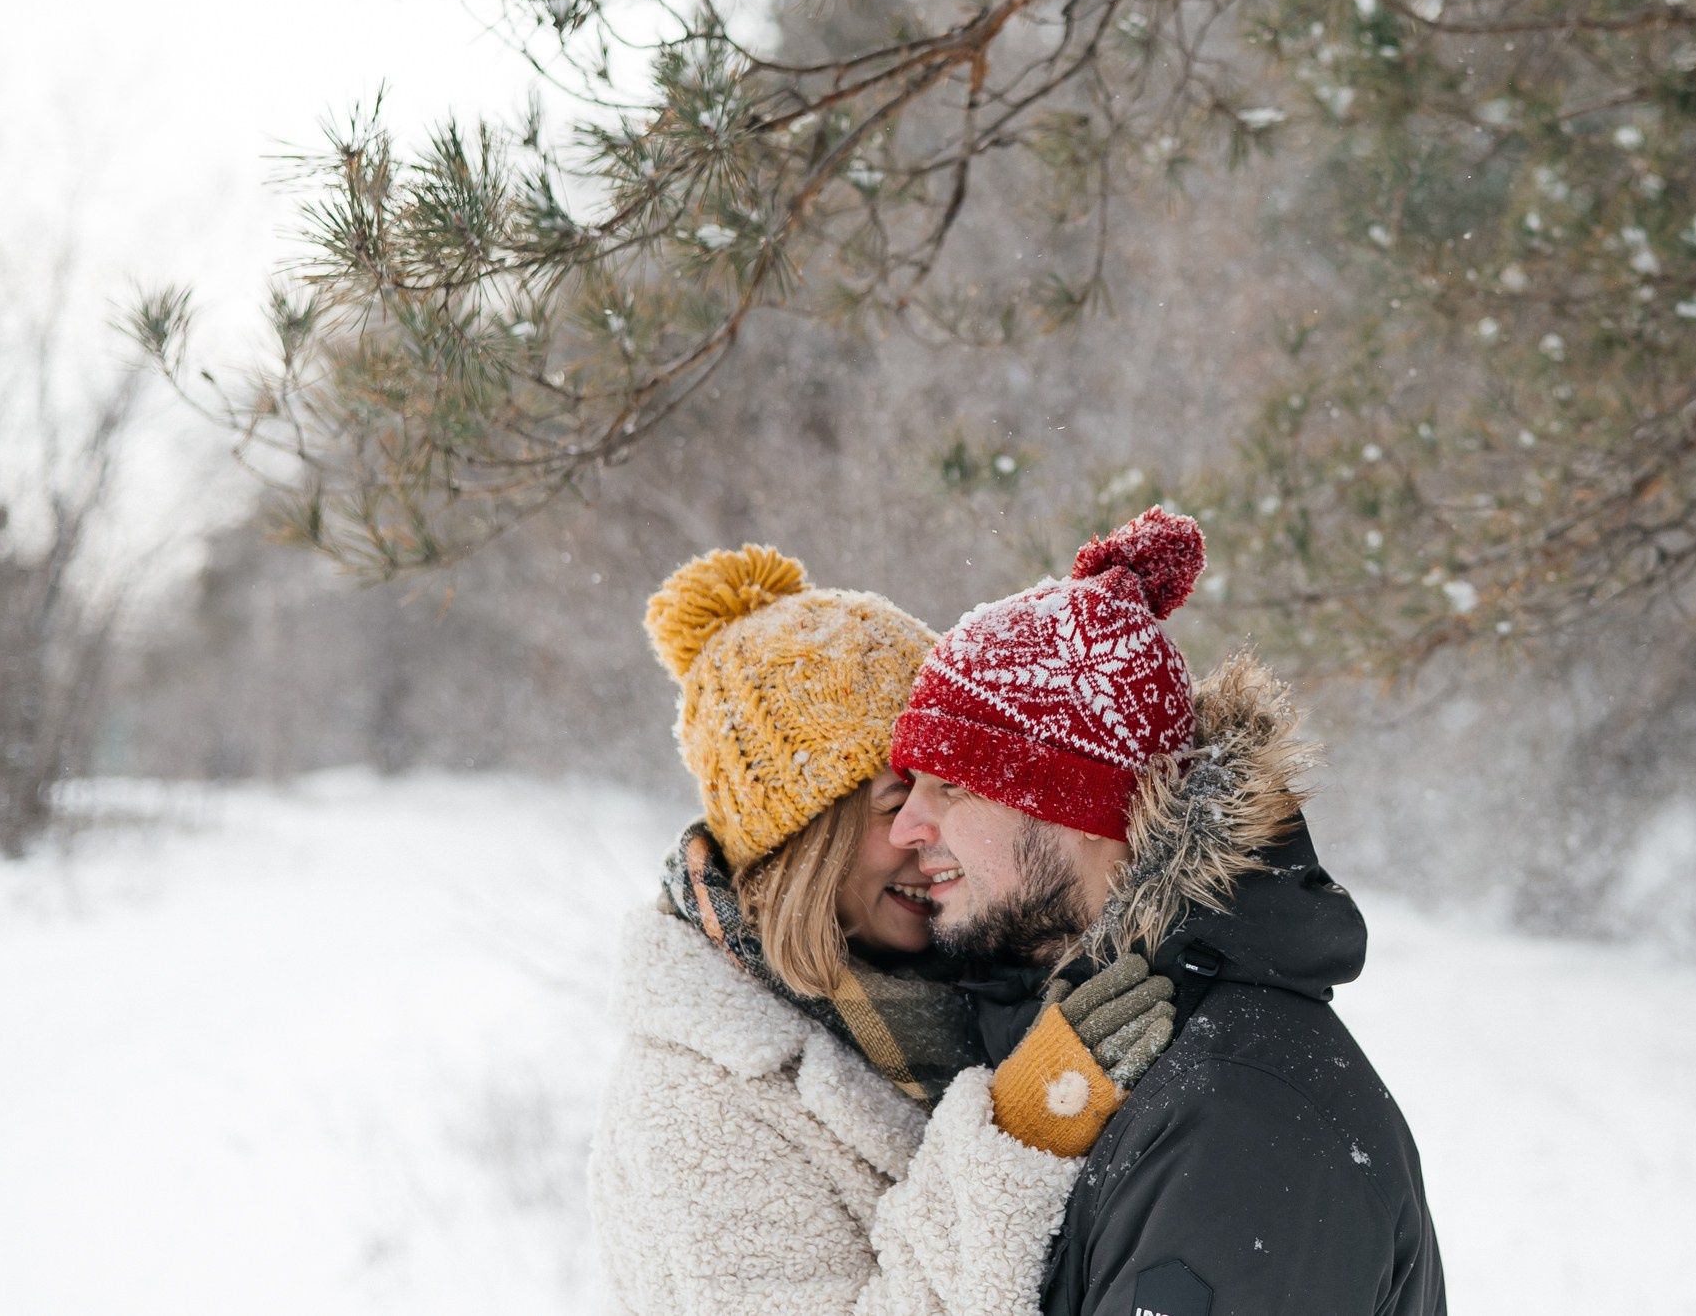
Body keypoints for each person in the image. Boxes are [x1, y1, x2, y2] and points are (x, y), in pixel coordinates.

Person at [889, 508, 1448, 1316]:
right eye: (908, 786)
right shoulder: (1087, 1043)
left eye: (953, 784)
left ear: (1080, 808)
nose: (909, 826)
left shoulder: (1241, 1122)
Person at [589, 545, 1174, 1316]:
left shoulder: (968, 982)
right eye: (897, 797)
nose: (925, 832)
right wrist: (1020, 1135)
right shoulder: (694, 1104)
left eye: (955, 786)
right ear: (801, 839)